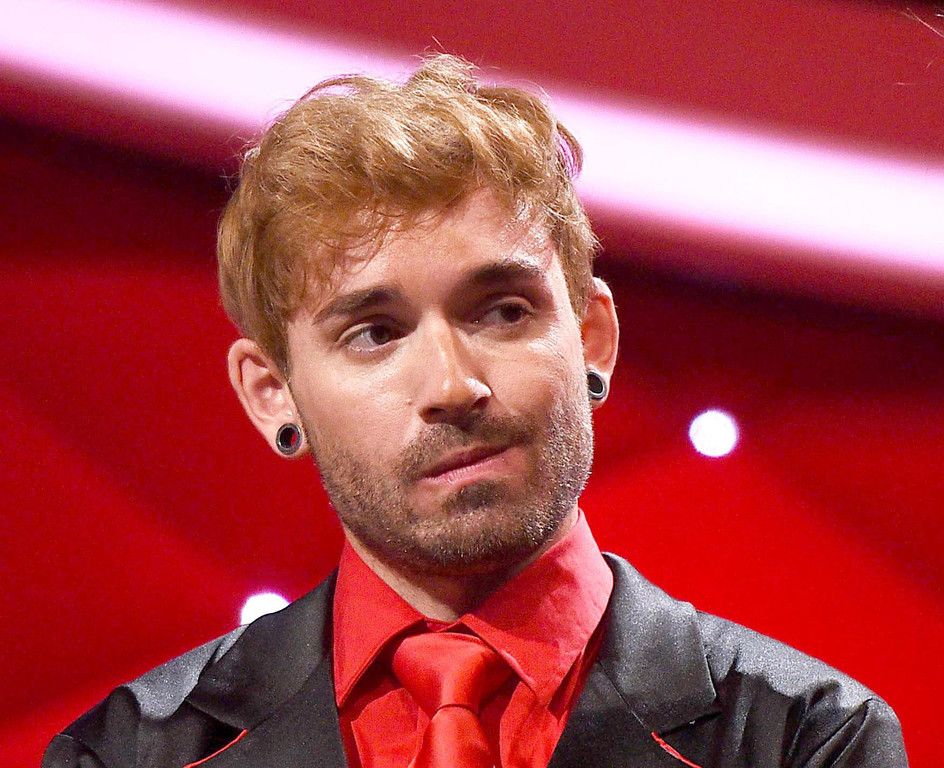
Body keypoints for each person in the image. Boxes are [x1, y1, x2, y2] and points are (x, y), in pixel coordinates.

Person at [44, 54, 908, 768]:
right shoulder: (125, 753)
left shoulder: (809, 740)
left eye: (502, 311)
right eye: (375, 333)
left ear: (593, 335)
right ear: (274, 391)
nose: (454, 385)